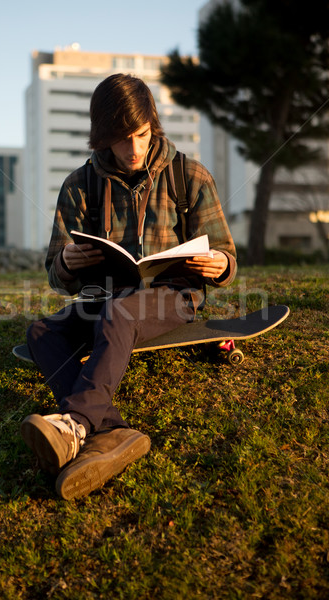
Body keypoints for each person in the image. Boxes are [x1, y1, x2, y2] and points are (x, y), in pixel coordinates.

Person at [21, 73, 237, 500]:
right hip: (104, 297)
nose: (134, 149)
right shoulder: (78, 186)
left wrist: (218, 263)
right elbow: (54, 272)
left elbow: (228, 255)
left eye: (141, 135)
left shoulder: (189, 175)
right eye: (122, 139)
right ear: (102, 137)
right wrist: (65, 262)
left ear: (152, 126)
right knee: (42, 332)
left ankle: (76, 425)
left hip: (172, 296)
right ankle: (112, 432)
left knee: (119, 314)